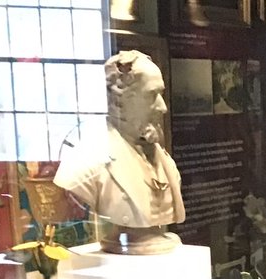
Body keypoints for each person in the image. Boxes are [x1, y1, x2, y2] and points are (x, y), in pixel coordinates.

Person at [54, 50, 184, 253]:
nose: (163, 107)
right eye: (151, 95)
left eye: (161, 94)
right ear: (120, 100)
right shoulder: (88, 160)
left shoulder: (163, 159)